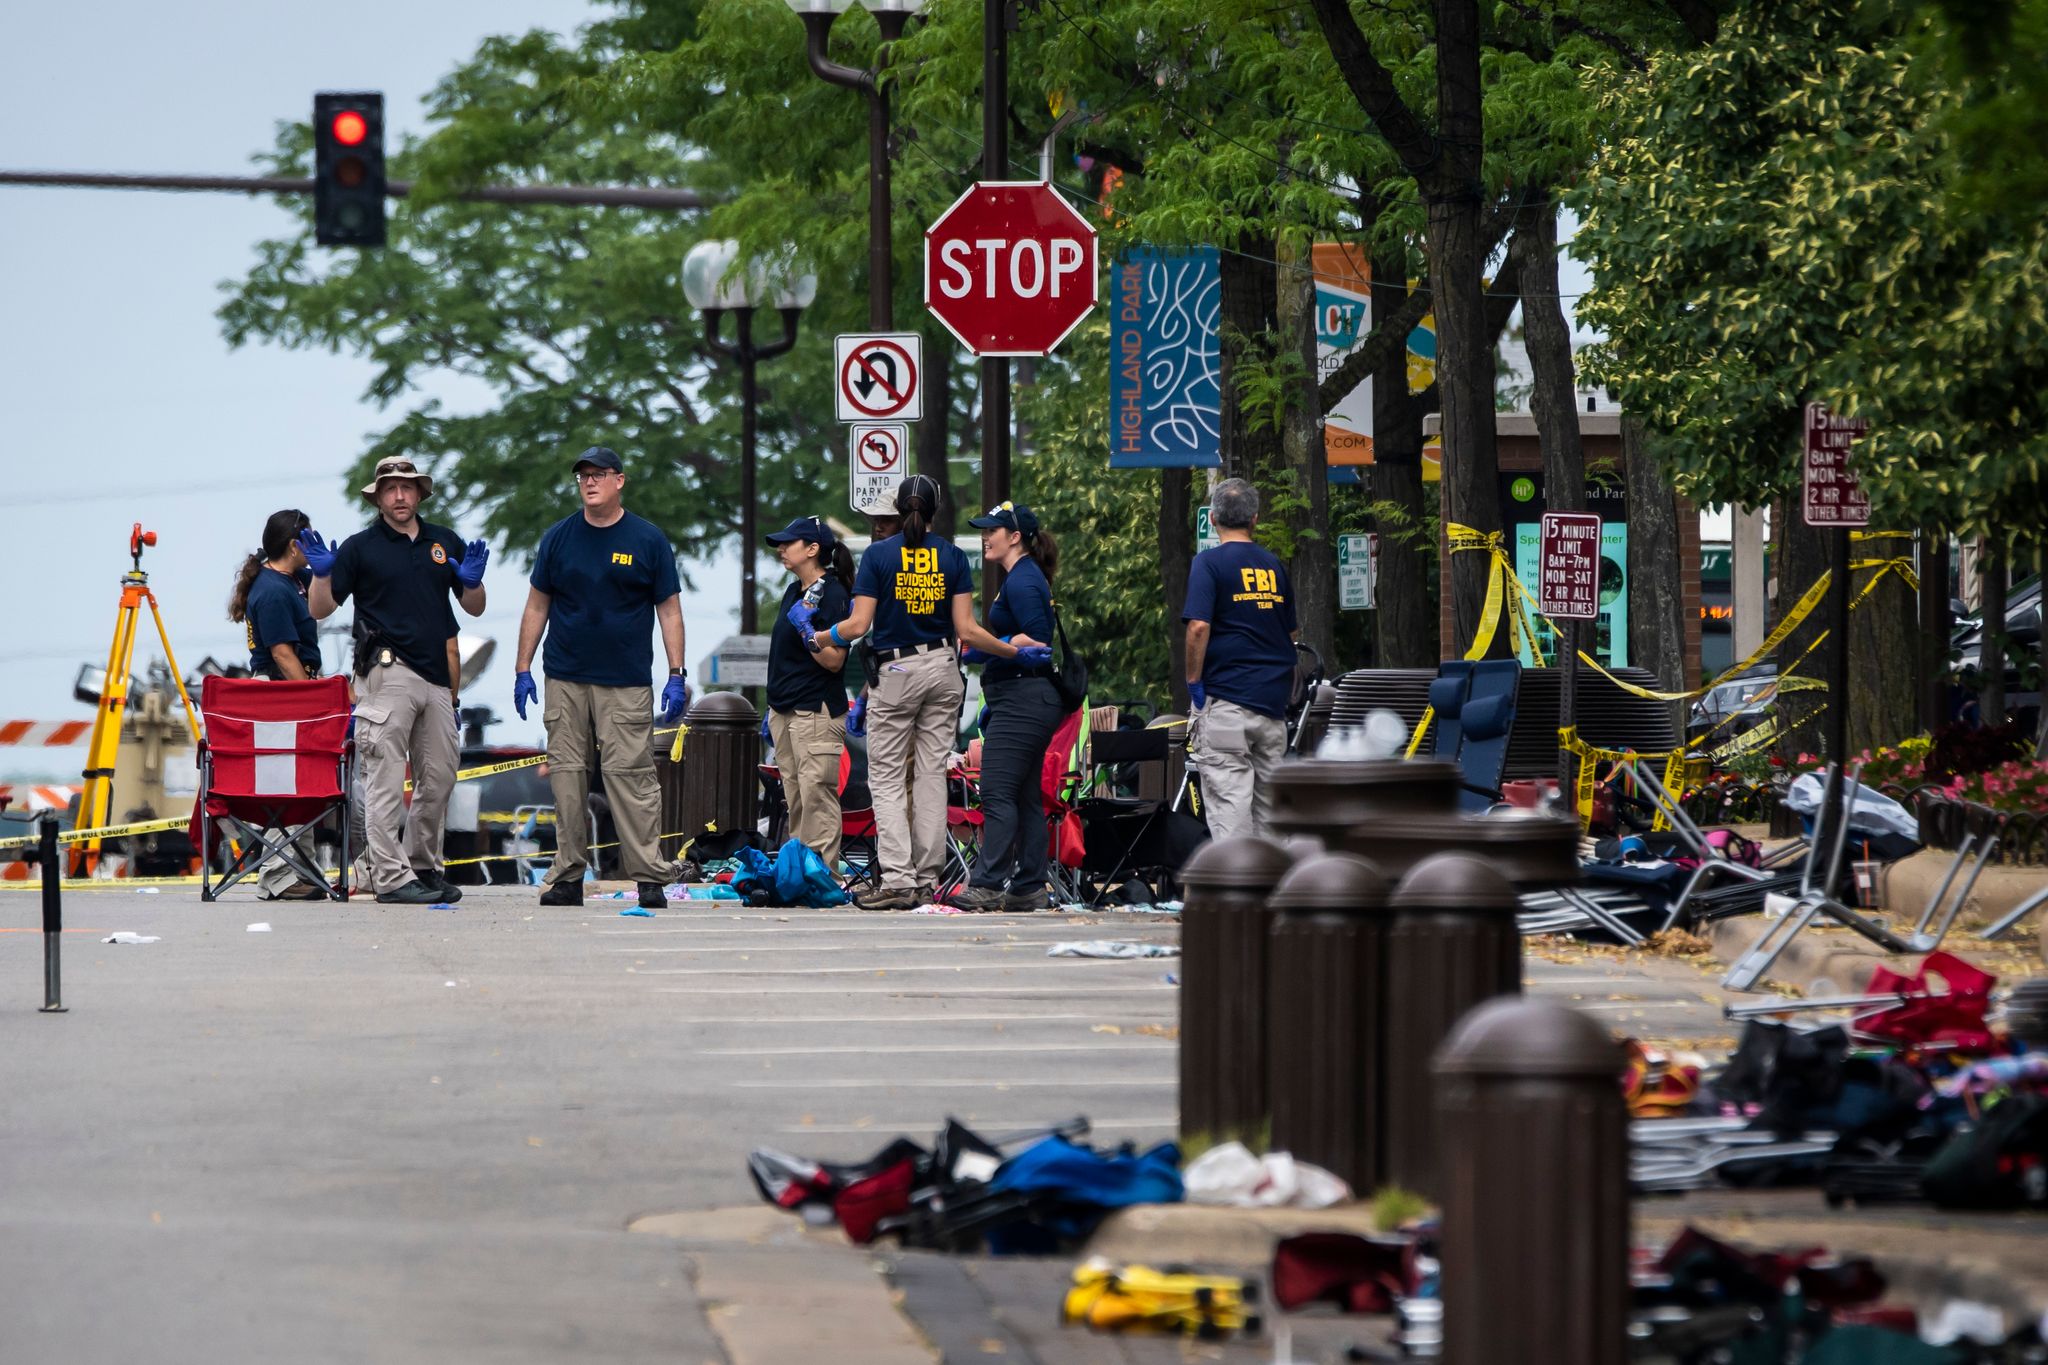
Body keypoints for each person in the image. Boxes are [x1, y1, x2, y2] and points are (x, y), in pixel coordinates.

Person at [828, 476, 1045, 910]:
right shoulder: (950, 556)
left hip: (898, 669)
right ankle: (928, 877)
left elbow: (857, 627)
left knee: (886, 778)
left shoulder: (878, 555)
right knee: (930, 776)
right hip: (944, 669)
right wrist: (1011, 652)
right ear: (934, 512)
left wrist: (820, 635)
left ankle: (898, 880)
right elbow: (966, 630)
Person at [300, 456, 489, 905]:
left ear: (420, 493)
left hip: (438, 679)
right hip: (386, 672)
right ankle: (388, 877)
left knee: (440, 776)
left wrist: (473, 582)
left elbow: (475, 608)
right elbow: (319, 610)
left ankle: (421, 866)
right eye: (390, 489)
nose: (399, 496)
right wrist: (323, 575)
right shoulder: (360, 547)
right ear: (378, 496)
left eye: (407, 488)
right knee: (384, 779)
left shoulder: (444, 541)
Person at [511, 446, 687, 910]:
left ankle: (648, 876)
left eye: (599, 475)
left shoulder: (647, 539)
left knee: (631, 777)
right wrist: (522, 668)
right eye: (583, 476)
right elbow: (537, 605)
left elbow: (669, 609)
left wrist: (676, 673)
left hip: (625, 681)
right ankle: (568, 875)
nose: (589, 482)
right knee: (567, 779)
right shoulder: (559, 538)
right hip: (565, 677)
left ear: (619, 481)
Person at [949, 502, 1062, 911]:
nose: (985, 536)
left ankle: (988, 883)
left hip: (1024, 699)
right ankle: (1029, 886)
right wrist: (996, 651)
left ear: (1015, 537)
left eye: (992, 530)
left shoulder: (1025, 581)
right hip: (1021, 698)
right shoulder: (1021, 578)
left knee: (996, 791)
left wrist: (991, 648)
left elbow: (1038, 643)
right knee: (1025, 796)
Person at [1183, 477, 1297, 841]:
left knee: (1230, 806)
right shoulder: (1273, 565)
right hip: (1272, 706)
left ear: (1213, 518)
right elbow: (1291, 634)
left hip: (1226, 702)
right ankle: (1272, 890)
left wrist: (1194, 682)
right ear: (1255, 520)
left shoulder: (1209, 564)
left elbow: (1199, 626)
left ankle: (1237, 893)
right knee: (1271, 812)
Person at [228, 508, 327, 901]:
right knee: (282, 786)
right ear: (293, 545)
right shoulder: (271, 591)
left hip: (292, 688)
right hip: (281, 691)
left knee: (303, 784)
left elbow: (325, 600)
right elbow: (283, 654)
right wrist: (311, 699)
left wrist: (325, 571)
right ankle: (277, 874)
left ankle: (301, 868)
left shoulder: (296, 580)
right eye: (309, 539)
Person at [765, 516, 854, 867]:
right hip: (784, 709)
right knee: (796, 797)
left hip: (814, 710)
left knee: (817, 795)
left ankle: (823, 876)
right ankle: (801, 874)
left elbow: (834, 661)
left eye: (789, 543)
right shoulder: (793, 591)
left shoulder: (832, 593)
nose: (781, 549)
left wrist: (806, 630)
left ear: (813, 549)